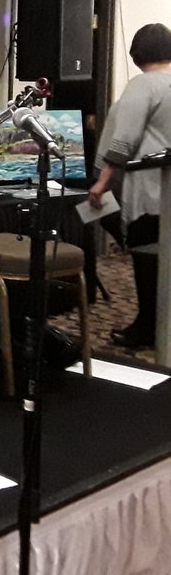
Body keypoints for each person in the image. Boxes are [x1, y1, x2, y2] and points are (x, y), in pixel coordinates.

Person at [88, 22, 171, 348]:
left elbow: (124, 140)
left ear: (137, 54)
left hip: (150, 190)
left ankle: (147, 327)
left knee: (145, 258)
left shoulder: (142, 85)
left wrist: (102, 183)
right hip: (167, 193)